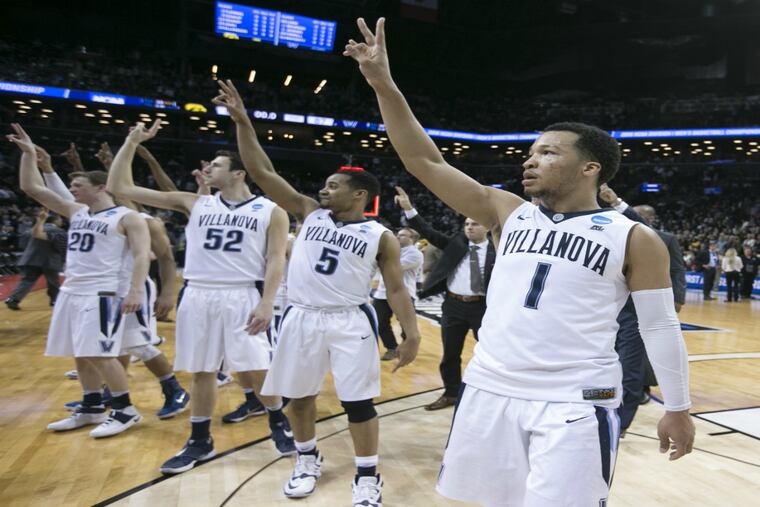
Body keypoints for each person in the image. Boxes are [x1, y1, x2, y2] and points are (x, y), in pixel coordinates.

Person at [345, 19, 694, 506]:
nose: (530, 161)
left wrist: (677, 406)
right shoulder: (505, 211)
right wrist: (384, 84)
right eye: (530, 152)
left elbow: (660, 326)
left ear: (590, 168)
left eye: (548, 153)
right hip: (490, 387)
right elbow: (424, 162)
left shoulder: (635, 237)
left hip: (577, 398)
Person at [212, 78, 421, 506]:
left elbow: (397, 289)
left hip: (349, 319)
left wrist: (412, 333)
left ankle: (367, 475)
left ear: (359, 194)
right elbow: (262, 172)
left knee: (358, 403)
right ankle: (306, 458)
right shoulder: (310, 212)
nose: (323, 189)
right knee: (298, 397)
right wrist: (242, 121)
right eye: (324, 185)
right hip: (302, 315)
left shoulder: (380, 235)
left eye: (333, 185)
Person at [107, 120, 295, 474]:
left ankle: (277, 422)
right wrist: (132, 141)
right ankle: (199, 441)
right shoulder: (193, 202)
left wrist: (268, 301)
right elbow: (119, 185)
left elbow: (275, 260)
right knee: (203, 371)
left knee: (256, 367)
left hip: (241, 294)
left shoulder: (271, 211)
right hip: (198, 294)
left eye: (217, 165)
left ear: (239, 173)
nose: (208, 168)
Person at [9, 123, 150, 438]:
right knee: (81, 351)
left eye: (78, 185)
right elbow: (30, 187)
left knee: (101, 353)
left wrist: (135, 290)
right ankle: (91, 407)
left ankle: (126, 410)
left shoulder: (127, 217)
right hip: (72, 289)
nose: (72, 190)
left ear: (100, 187)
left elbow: (142, 256)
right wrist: (29, 153)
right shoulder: (77, 211)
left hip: (102, 293)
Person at [394, 186, 495, 410]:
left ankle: (492, 394)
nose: (469, 227)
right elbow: (427, 231)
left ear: (487, 228)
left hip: (484, 308)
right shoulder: (457, 243)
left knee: (491, 354)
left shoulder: (499, 249)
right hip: (453, 305)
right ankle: (451, 393)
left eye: (474, 224)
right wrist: (409, 209)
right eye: (466, 224)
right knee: (450, 354)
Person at [598, 185, 687, 433]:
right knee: (606, 364)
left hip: (638, 311)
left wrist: (677, 298)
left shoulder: (661, 238)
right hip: (610, 310)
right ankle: (603, 405)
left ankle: (622, 422)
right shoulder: (613, 235)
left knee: (631, 366)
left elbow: (678, 270)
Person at [372, 224, 423, 361]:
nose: (397, 237)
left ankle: (407, 348)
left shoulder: (415, 253)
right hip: (382, 293)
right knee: (380, 322)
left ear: (411, 238)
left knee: (406, 325)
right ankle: (391, 348)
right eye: (397, 234)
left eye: (402, 235)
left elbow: (395, 268)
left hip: (404, 294)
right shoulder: (392, 250)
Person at [4, 206, 66, 310]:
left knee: (27, 280)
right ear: (55, 220)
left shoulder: (31, 230)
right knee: (53, 282)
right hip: (50, 261)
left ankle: (13, 299)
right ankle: (55, 301)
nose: (61, 221)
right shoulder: (59, 231)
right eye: (60, 219)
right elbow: (61, 247)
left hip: (31, 258)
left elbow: (22, 244)